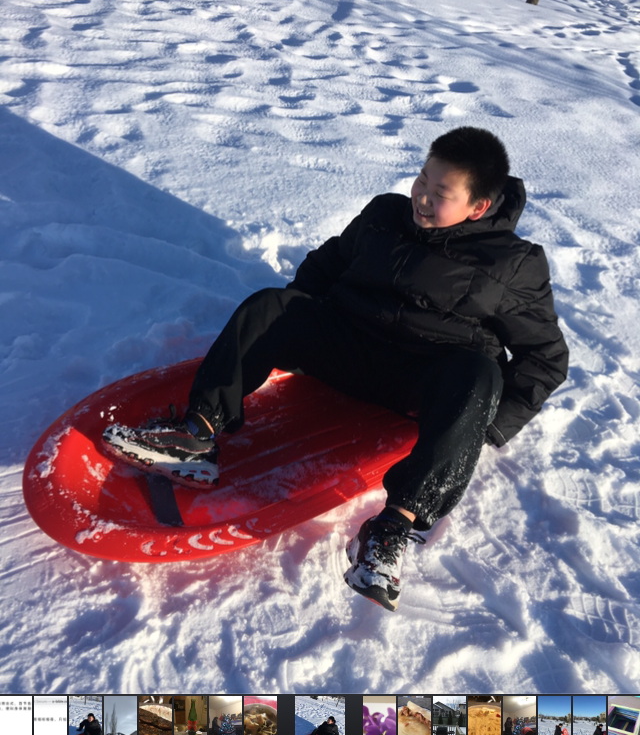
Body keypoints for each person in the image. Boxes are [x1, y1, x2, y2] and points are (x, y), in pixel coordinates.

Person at [104, 127, 568, 612]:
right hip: (348, 349)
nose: (422, 198)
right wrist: (293, 324)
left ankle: (393, 528)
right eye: (421, 180)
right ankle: (196, 436)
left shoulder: (514, 265)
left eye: (440, 194)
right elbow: (326, 266)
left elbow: (545, 357)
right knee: (273, 305)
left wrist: (479, 426)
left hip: (421, 380)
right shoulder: (385, 214)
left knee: (479, 375)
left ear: (478, 206)